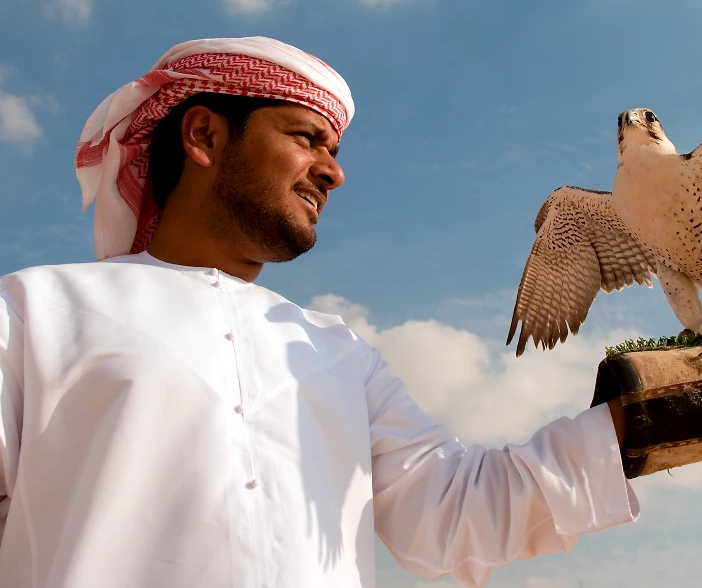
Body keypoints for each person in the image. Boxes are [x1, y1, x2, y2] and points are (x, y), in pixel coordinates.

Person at [0, 37, 636, 588]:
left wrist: (639, 429)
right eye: (308, 139)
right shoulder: (38, 313)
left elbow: (450, 511)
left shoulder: (339, 353)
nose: (332, 173)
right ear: (204, 135)